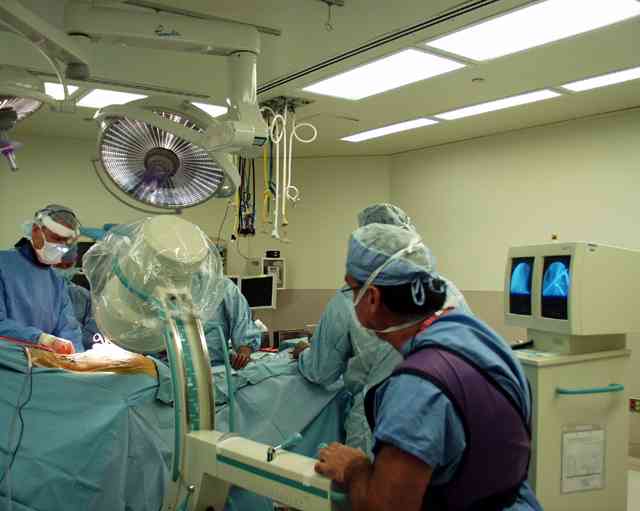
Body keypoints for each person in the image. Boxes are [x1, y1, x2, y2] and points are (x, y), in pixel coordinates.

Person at [315, 224, 541, 511]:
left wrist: (354, 468)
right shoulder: (481, 338)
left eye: (352, 288)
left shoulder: (416, 389)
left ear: (371, 298)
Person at [293, 203, 471, 456]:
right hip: (445, 416)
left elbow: (321, 371)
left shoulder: (353, 297)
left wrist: (303, 352)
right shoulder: (447, 291)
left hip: (375, 423)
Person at [0, 205, 83, 354]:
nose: (60, 246)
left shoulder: (56, 281)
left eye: (65, 242)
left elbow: (68, 329)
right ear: (35, 231)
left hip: (43, 365)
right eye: (56, 238)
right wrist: (40, 339)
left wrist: (77, 357)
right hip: (8, 362)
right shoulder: (3, 266)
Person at [202, 277, 261, 370]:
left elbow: (242, 321)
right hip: (177, 368)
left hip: (214, 368)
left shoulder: (222, 285)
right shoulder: (176, 288)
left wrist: (244, 351)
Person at [55, 249, 100, 351]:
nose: (63, 270)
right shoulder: (34, 294)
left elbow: (93, 333)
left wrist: (75, 347)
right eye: (58, 266)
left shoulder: (81, 295)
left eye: (68, 266)